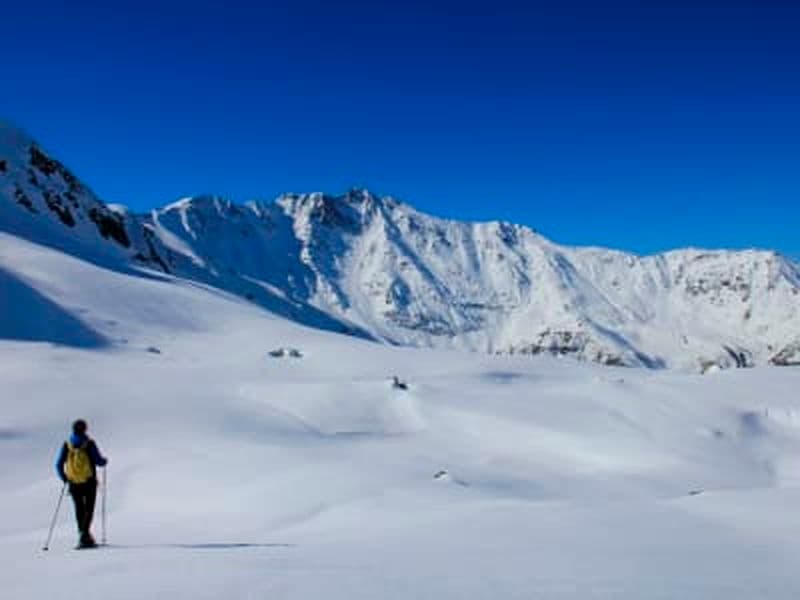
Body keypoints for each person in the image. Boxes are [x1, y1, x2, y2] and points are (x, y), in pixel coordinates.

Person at [55, 419, 108, 548]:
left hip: (73, 482)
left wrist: (65, 478)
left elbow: (58, 464)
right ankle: (85, 536)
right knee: (89, 509)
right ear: (85, 429)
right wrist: (104, 461)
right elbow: (98, 461)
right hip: (89, 481)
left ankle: (83, 535)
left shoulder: (67, 444)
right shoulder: (89, 443)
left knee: (79, 509)